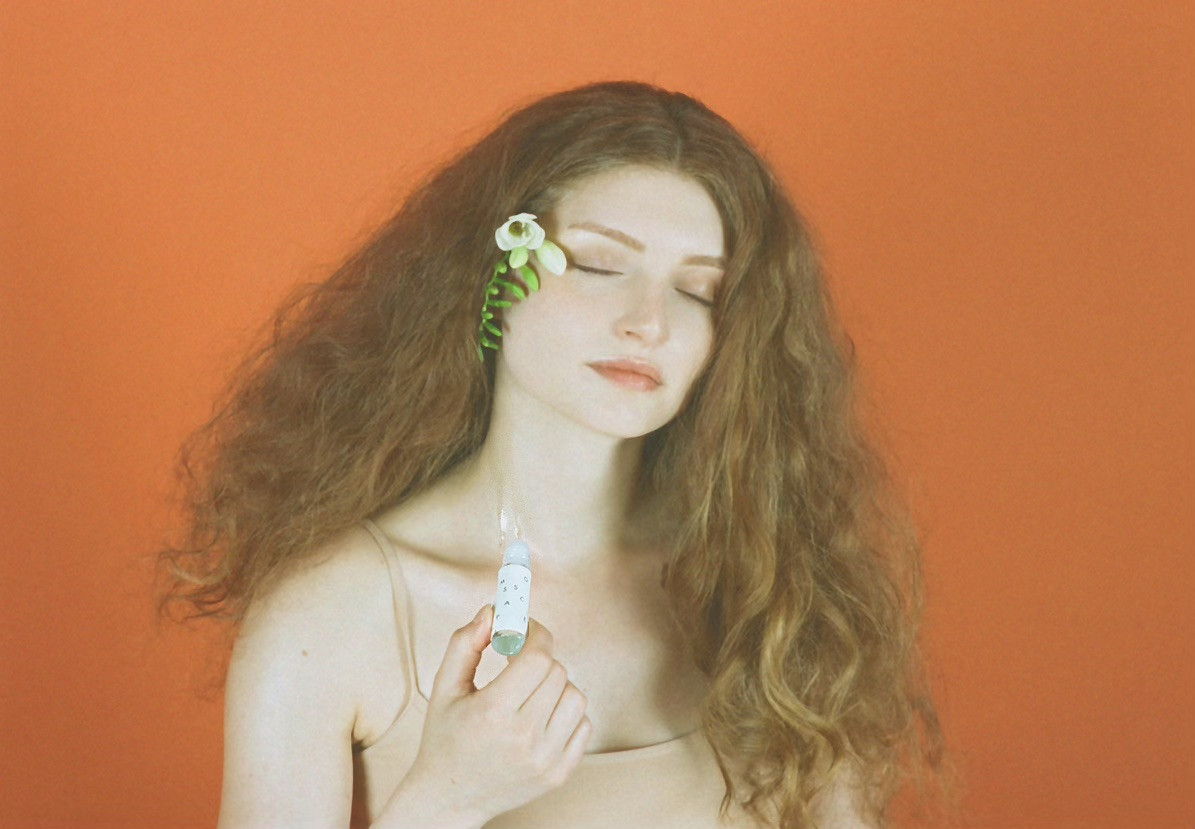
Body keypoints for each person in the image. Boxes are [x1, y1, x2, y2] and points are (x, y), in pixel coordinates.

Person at [156, 81, 955, 829]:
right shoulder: (331, 610)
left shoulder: (776, 590)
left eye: (697, 291)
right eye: (601, 264)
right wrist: (445, 798)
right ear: (489, 279)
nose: (648, 321)